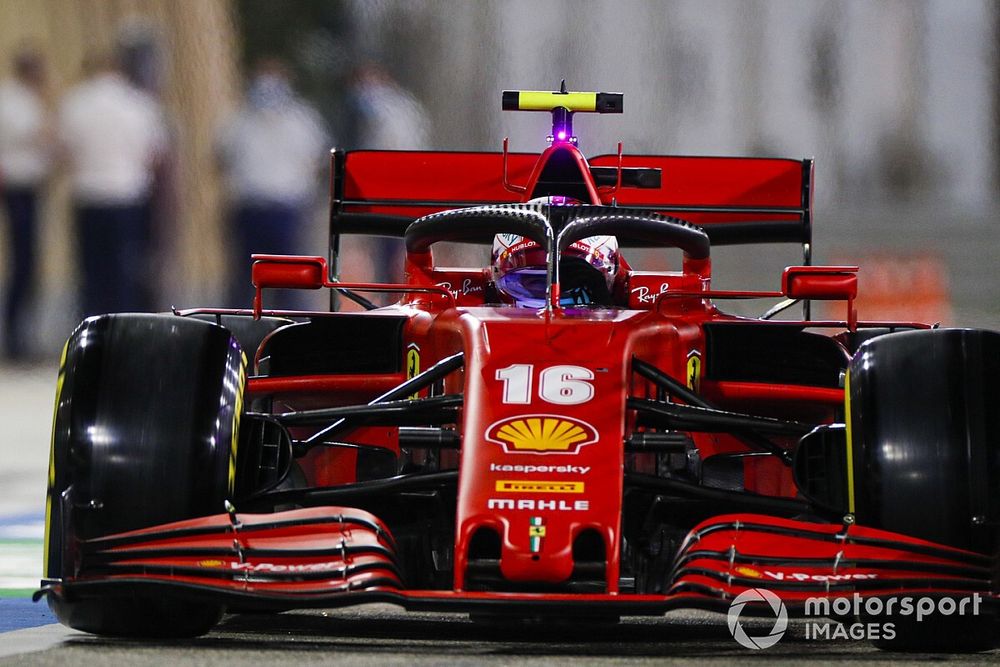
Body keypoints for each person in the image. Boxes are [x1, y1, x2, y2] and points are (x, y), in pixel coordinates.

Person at [58, 51, 168, 317]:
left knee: (91, 271)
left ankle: (91, 326)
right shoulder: (140, 104)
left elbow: (64, 151)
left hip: (89, 195)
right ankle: (126, 325)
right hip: (128, 195)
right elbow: (155, 156)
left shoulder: (75, 103)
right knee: (126, 269)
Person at [216, 58, 329, 309]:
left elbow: (317, 159)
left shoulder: (302, 120)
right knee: (244, 280)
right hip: (250, 207)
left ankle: (287, 328)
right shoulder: (239, 120)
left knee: (289, 280)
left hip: (286, 208)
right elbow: (221, 156)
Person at [0, 49, 52, 360]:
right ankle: (15, 338)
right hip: (17, 188)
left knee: (29, 265)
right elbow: (41, 137)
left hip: (29, 188)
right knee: (23, 264)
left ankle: (21, 334)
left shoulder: (25, 99)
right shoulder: (13, 101)